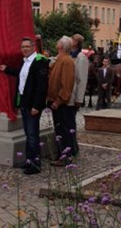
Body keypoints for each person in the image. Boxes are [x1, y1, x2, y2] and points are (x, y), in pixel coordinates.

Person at [1, 37, 49, 175]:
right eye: (23, 47)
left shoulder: (40, 61)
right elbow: (22, 75)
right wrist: (7, 69)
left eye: (27, 46)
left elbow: (42, 86)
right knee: (28, 134)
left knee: (33, 134)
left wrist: (37, 106)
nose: (25, 49)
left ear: (33, 47)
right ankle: (29, 160)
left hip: (32, 104)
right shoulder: (25, 62)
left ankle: (35, 163)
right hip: (24, 102)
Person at [47, 36, 75, 166]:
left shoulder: (67, 61)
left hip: (60, 104)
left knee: (63, 130)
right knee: (59, 130)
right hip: (54, 101)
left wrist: (58, 101)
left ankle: (65, 156)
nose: (56, 42)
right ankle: (61, 154)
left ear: (61, 46)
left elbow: (66, 85)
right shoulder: (60, 59)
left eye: (58, 41)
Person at [67, 34, 89, 156]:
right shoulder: (69, 55)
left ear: (77, 43)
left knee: (71, 123)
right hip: (67, 95)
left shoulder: (81, 58)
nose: (71, 40)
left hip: (73, 95)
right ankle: (71, 146)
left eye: (73, 39)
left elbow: (82, 80)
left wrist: (79, 99)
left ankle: (73, 147)